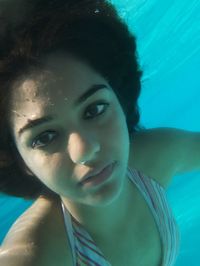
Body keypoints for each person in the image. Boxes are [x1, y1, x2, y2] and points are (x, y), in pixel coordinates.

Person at [0, 0, 199, 265]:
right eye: (45, 137)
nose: (85, 150)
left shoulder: (154, 157)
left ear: (119, 97)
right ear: (17, 159)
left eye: (94, 109)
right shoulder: (35, 256)